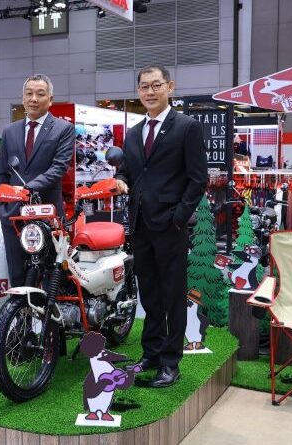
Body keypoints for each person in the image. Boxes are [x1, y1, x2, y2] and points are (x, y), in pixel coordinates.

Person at [114, 65, 207, 388]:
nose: (150, 92)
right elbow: (128, 170)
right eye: (144, 87)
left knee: (172, 296)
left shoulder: (187, 127)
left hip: (171, 226)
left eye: (156, 85)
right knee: (150, 294)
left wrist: (178, 217)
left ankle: (170, 362)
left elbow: (198, 179)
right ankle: (151, 354)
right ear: (138, 91)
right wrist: (119, 179)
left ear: (170, 87)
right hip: (140, 225)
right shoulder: (134, 132)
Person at [0, 74, 75, 287]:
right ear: (23, 98)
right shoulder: (10, 131)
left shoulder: (63, 129)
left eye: (40, 94)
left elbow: (58, 168)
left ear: (50, 100)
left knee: (51, 277)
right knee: (17, 275)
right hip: (13, 215)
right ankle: (21, 309)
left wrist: (27, 189)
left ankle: (49, 310)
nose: (33, 98)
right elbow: (3, 173)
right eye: (29, 93)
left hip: (47, 213)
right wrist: (2, 207)